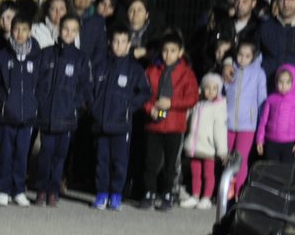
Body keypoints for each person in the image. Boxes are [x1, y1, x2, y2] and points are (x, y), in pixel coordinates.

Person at [89, 27, 148, 209]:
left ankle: (116, 194)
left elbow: (145, 92)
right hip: (101, 123)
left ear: (129, 45)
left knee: (119, 163)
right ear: (110, 43)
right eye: (115, 41)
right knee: (101, 162)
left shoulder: (134, 69)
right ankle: (101, 193)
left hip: (121, 125)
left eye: (123, 42)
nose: (118, 45)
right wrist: (94, 108)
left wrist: (129, 106)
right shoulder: (100, 66)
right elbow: (89, 90)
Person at [33, 13, 88, 206]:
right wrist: (40, 103)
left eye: (73, 30)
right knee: (45, 153)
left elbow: (83, 87)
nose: (69, 33)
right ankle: (41, 188)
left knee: (60, 155)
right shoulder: (46, 53)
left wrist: (75, 106)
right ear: (58, 30)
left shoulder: (80, 58)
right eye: (66, 29)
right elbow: (38, 81)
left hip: (67, 116)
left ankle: (54, 190)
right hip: (47, 114)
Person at [140, 29, 196, 210]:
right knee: (151, 161)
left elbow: (192, 98)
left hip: (174, 124)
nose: (168, 55)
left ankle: (168, 193)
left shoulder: (186, 73)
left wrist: (172, 103)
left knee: (171, 164)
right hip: (154, 124)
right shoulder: (152, 70)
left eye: (173, 51)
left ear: (180, 52)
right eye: (165, 50)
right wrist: (150, 109)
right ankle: (149, 192)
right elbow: (143, 94)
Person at [0, 11, 41, 207]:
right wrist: (3, 102)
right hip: (6, 115)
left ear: (30, 32)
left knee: (21, 155)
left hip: (27, 116)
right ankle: (3, 189)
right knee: (5, 153)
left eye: (24, 30)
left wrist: (34, 104)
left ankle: (18, 189)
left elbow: (42, 83)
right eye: (16, 29)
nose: (19, 33)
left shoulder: (36, 57)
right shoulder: (3, 57)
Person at [223, 37, 265, 198]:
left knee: (241, 160)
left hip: (248, 124)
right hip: (229, 122)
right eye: (240, 54)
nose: (243, 58)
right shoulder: (230, 69)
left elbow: (262, 99)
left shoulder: (258, 74)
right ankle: (226, 190)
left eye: (247, 56)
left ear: (253, 57)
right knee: (227, 159)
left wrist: (261, 123)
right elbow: (223, 92)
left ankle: (240, 192)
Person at [181, 71, 228, 209]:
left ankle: (206, 197)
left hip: (209, 147)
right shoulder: (197, 103)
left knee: (208, 174)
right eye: (207, 88)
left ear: (219, 90)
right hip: (195, 146)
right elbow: (187, 118)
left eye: (214, 88)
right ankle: (195, 195)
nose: (211, 91)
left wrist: (222, 151)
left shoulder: (219, 107)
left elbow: (220, 129)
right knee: (195, 173)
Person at [255, 63, 295, 164]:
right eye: (280, 82)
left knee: (286, 172)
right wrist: (260, 139)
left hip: (289, 143)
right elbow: (263, 121)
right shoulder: (270, 99)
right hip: (271, 142)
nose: (283, 86)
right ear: (276, 82)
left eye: (288, 82)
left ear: (294, 82)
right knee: (272, 170)